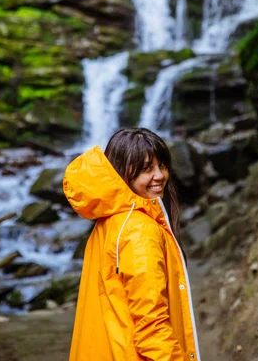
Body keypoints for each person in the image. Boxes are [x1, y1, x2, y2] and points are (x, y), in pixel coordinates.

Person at [63, 127, 201, 361]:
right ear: (120, 173)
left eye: (162, 165)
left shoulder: (109, 221)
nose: (159, 176)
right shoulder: (139, 231)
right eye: (146, 169)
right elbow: (151, 329)